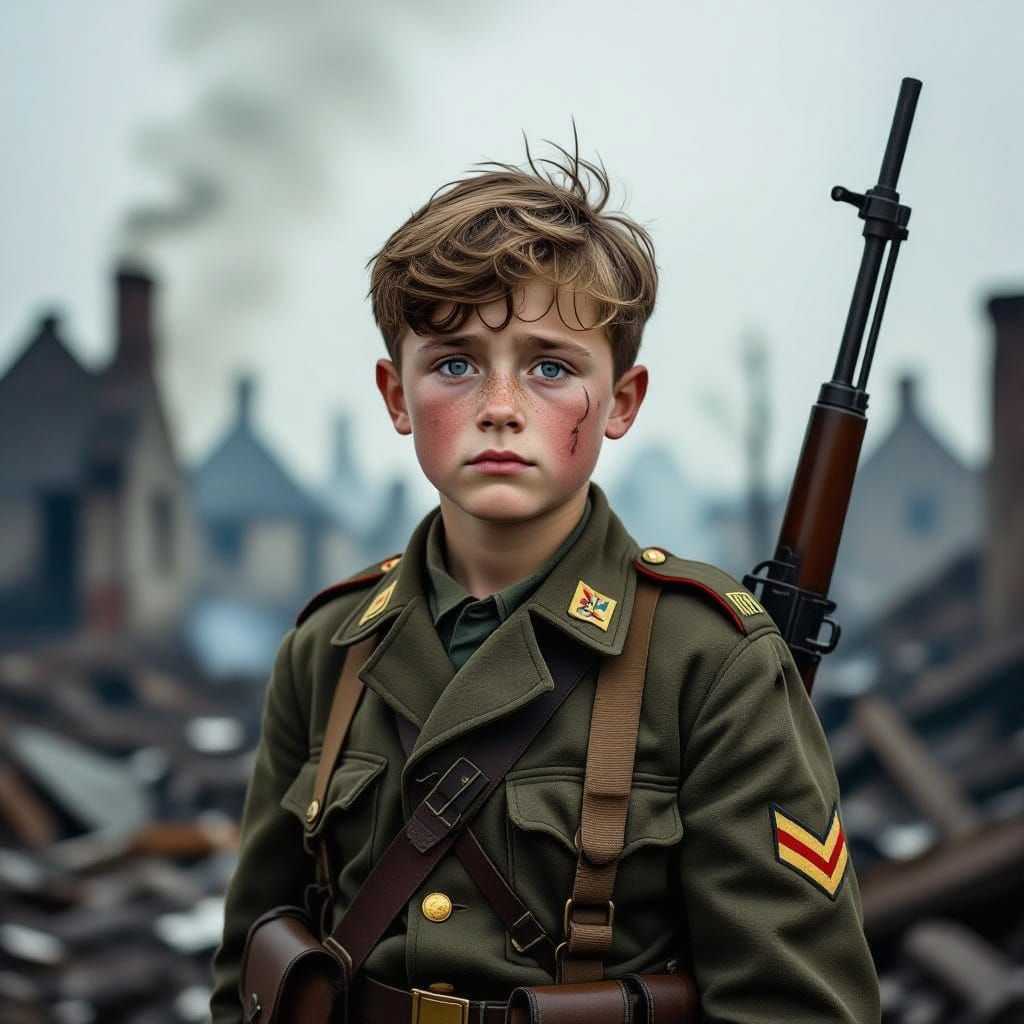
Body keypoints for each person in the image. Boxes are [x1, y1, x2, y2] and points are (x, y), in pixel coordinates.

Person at [209, 137, 881, 1023]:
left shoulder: (708, 660)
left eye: (551, 367)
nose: (498, 405)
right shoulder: (327, 649)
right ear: (395, 395)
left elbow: (796, 1006)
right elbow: (249, 969)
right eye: (453, 362)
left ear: (623, 401)